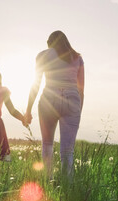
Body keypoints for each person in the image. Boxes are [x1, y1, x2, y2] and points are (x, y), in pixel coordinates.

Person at [24, 30, 84, 178]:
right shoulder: (77, 58)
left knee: (47, 145)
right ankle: (68, 186)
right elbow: (81, 90)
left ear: (50, 43)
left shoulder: (42, 55)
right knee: (68, 151)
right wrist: (78, 112)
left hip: (49, 100)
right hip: (72, 101)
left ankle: (48, 180)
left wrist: (28, 110)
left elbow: (36, 85)